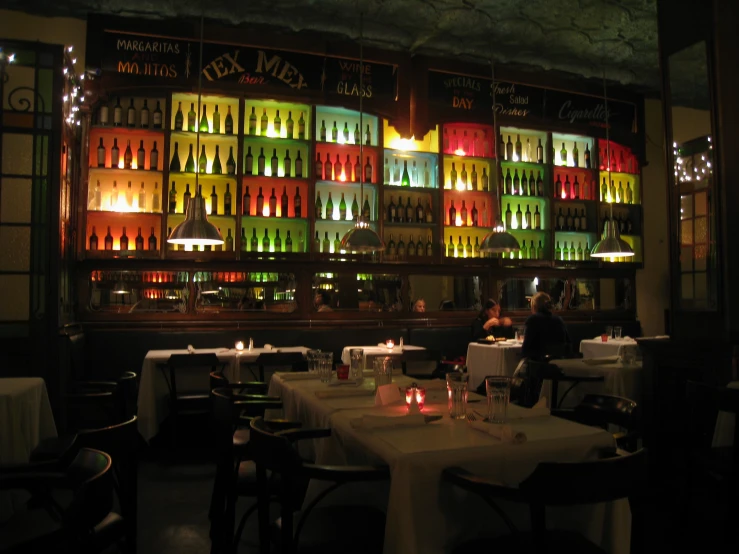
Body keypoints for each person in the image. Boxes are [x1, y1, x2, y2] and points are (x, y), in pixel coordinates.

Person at [521, 292, 569, 360]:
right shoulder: (559, 320)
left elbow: (525, 350)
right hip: (558, 363)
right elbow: (567, 344)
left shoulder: (532, 320)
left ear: (534, 306)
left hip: (537, 364)